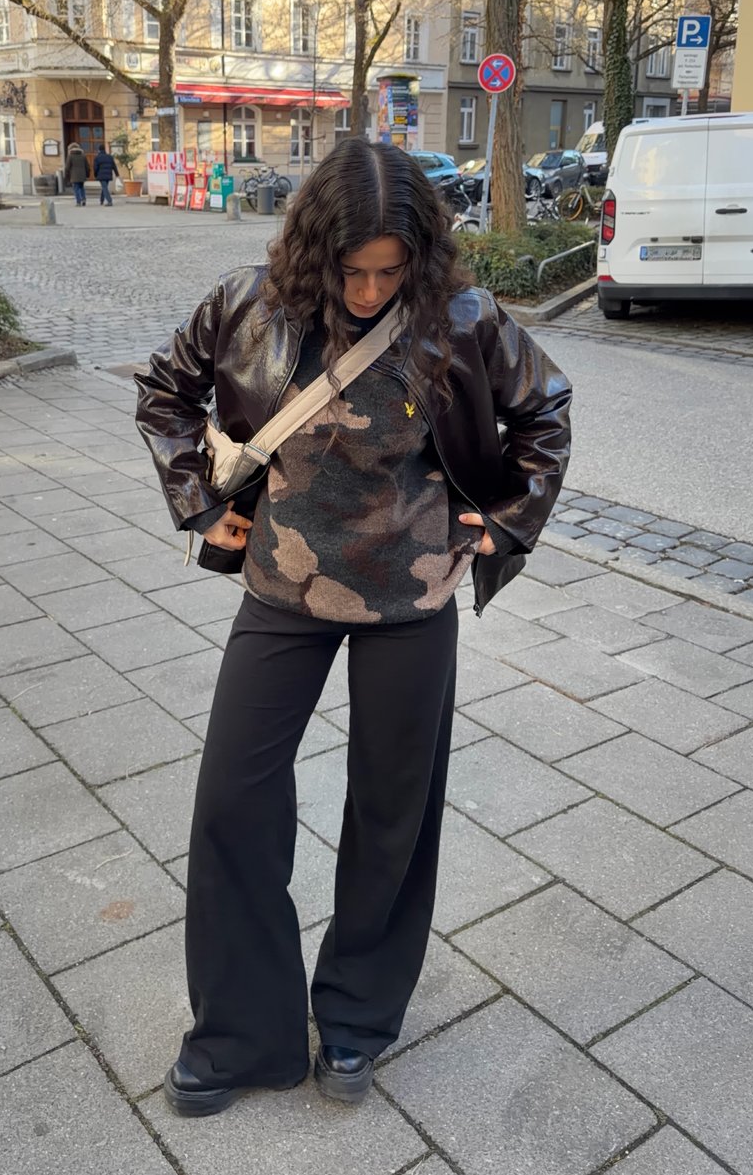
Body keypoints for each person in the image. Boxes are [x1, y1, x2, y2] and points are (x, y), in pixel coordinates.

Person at [135, 138, 572, 1119]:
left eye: (390, 270)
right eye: (353, 270)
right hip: (282, 593)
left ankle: (358, 1019)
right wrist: (205, 507)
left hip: (408, 604)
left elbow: (543, 410)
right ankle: (242, 1031)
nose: (372, 288)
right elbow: (164, 389)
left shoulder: (462, 318)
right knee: (233, 802)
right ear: (313, 252)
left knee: (392, 812)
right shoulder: (247, 302)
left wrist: (498, 521)